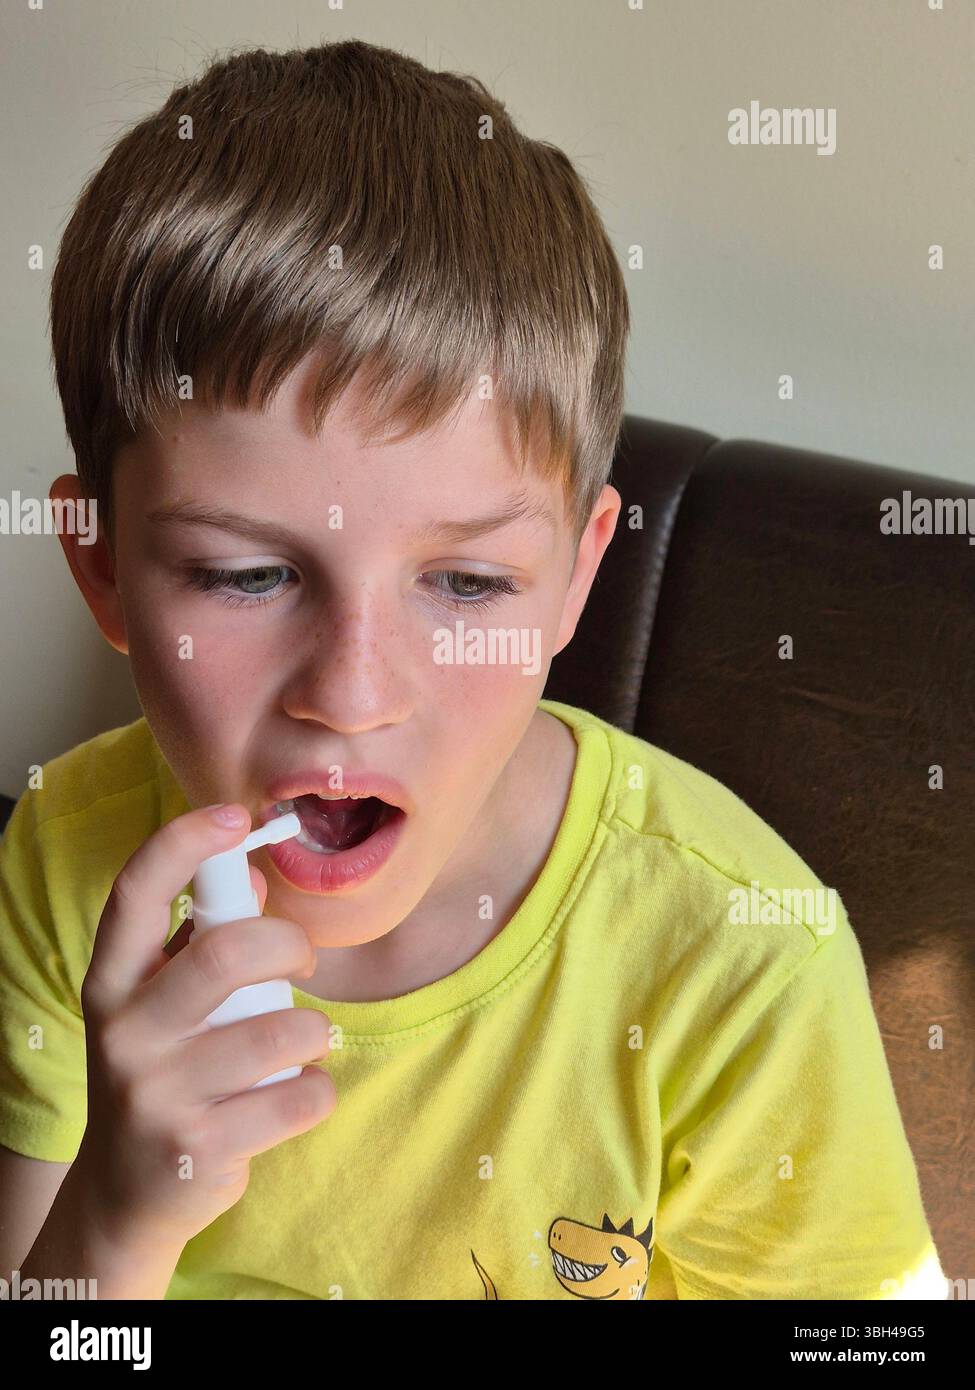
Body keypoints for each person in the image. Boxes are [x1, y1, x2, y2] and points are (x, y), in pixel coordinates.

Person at [0, 39, 946, 1301]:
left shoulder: (742, 960)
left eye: (465, 583)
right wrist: (113, 1229)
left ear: (573, 579)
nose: (351, 691)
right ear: (104, 568)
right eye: (243, 576)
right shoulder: (69, 855)